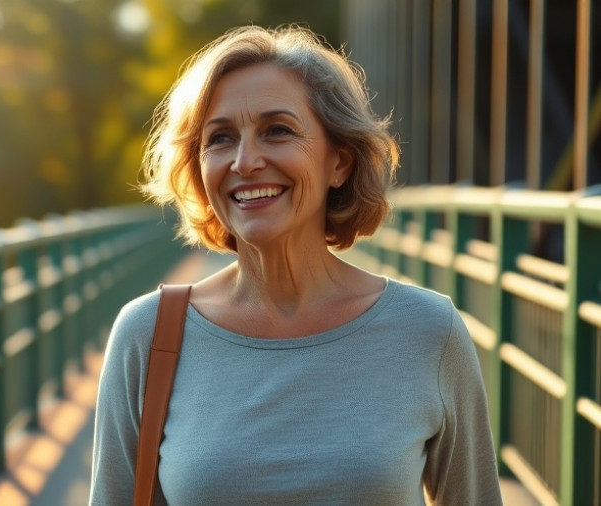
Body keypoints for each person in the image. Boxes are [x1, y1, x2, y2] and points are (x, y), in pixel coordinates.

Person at [90, 25, 502, 505]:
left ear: (340, 164)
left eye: (277, 131)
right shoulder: (148, 335)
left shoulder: (429, 331)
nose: (245, 161)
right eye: (220, 138)